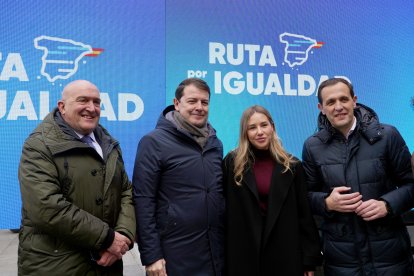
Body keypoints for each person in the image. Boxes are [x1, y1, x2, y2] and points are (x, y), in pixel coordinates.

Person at [18, 80, 136, 275]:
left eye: (96, 102)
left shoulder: (108, 143)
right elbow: (46, 206)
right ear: (62, 107)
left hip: (108, 263)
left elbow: (125, 190)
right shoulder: (39, 145)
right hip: (57, 265)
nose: (91, 108)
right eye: (83, 100)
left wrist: (123, 236)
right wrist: (107, 238)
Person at [302, 77, 414, 275]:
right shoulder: (312, 146)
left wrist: (387, 205)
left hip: (390, 258)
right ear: (321, 107)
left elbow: (410, 185)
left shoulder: (387, 136)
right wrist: (327, 203)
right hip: (342, 261)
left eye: (343, 99)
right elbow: (305, 196)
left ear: (354, 100)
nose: (338, 107)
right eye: (331, 102)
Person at [133, 78, 224, 275]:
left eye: (204, 102)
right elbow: (143, 200)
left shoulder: (215, 144)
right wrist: (151, 256)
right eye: (192, 101)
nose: (199, 107)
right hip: (173, 256)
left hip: (213, 254)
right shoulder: (153, 142)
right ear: (177, 103)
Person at [223, 105, 322, 276]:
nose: (259, 132)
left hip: (285, 256)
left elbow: (304, 216)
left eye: (264, 125)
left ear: (272, 127)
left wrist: (309, 261)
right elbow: (223, 212)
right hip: (243, 257)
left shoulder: (292, 166)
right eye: (252, 127)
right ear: (244, 133)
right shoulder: (232, 163)